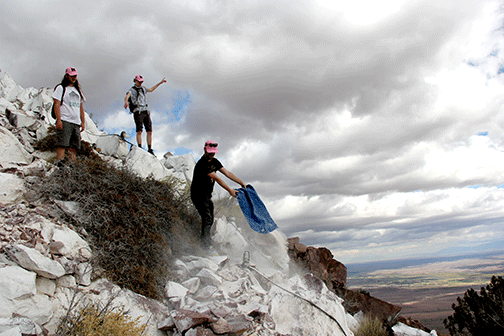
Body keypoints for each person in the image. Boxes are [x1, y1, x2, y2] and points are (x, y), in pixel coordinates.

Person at [191, 140, 246, 248]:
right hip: (198, 195)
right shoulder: (202, 164)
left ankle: (205, 241)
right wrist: (230, 190)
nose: (212, 154)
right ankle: (205, 246)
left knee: (210, 219)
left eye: (213, 152)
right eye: (210, 152)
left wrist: (241, 182)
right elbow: (217, 178)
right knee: (207, 218)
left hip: (207, 195)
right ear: (205, 150)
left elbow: (227, 173)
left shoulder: (215, 162)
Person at [124, 74, 166, 155]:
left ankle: (150, 149)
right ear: (135, 81)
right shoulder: (132, 90)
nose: (140, 83)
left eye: (141, 82)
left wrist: (160, 83)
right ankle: (140, 147)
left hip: (145, 111)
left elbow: (151, 89)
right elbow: (127, 95)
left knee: (149, 131)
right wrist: (126, 101)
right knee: (139, 131)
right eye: (139, 82)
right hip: (138, 111)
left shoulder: (143, 88)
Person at [52, 67, 86, 164]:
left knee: (73, 148)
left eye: (75, 76)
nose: (74, 78)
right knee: (62, 145)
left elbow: (81, 107)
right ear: (66, 76)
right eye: (71, 76)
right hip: (65, 120)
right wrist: (59, 120)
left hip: (76, 122)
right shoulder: (61, 88)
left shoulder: (78, 91)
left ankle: (71, 168)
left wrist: (83, 122)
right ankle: (58, 166)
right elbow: (56, 104)